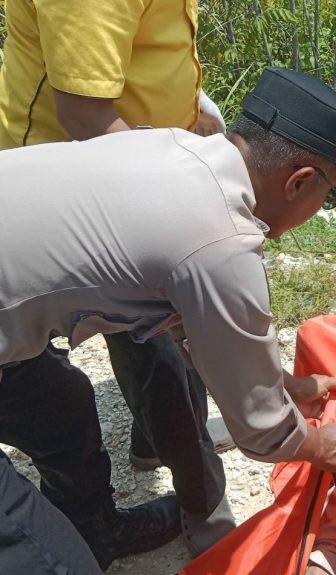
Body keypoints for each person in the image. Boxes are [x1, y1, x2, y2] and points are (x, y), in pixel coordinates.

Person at [0, 66, 336, 572]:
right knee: (48, 561)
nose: (323, 203)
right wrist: (318, 443)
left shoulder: (173, 146)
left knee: (61, 409)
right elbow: (263, 434)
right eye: (332, 189)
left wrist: (285, 384)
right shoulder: (220, 239)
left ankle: (96, 533)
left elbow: (193, 327)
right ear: (300, 180)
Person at [0, 0, 236, 558]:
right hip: (75, 189)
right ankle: (199, 502)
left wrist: (186, 105)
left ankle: (106, 509)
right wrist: (174, 211)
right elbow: (85, 111)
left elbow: (138, 49)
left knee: (64, 399)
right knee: (157, 345)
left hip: (121, 165)